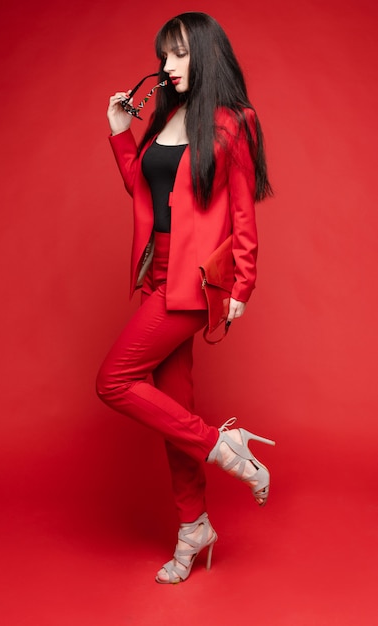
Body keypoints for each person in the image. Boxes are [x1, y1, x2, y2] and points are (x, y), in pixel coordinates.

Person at [96, 11, 275, 584]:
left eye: (178, 54)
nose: (167, 66)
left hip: (192, 281)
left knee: (114, 381)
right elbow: (144, 189)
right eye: (163, 56)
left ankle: (224, 445)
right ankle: (193, 525)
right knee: (172, 411)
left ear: (205, 54)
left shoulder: (233, 122)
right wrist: (120, 131)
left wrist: (242, 283)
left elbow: (243, 211)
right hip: (156, 273)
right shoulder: (166, 116)